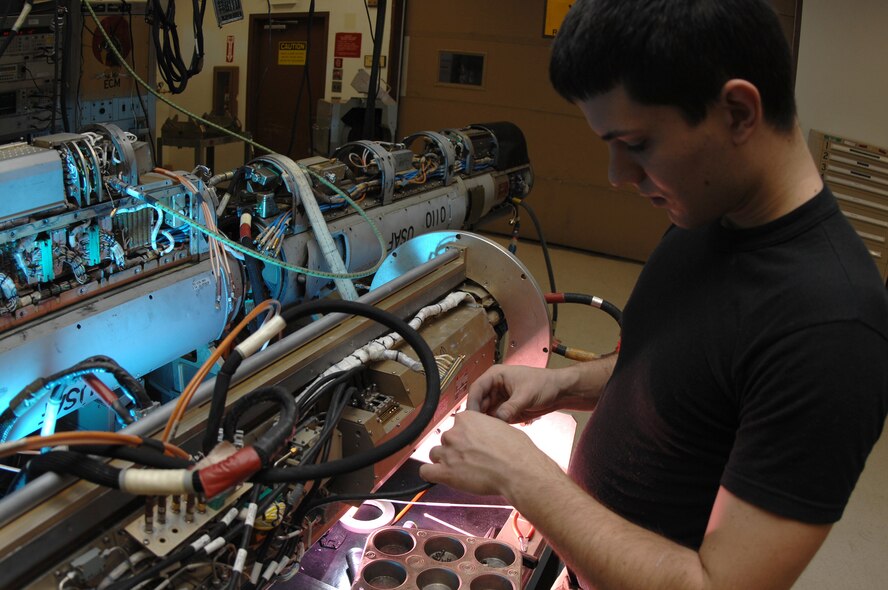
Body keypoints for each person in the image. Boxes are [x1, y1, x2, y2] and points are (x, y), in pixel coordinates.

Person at [418, 1, 888, 588]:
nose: (618, 174)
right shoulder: (707, 216)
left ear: (738, 112)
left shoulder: (832, 326)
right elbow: (678, 371)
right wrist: (562, 386)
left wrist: (524, 477)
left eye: (636, 143)